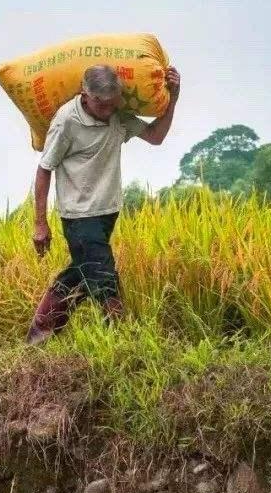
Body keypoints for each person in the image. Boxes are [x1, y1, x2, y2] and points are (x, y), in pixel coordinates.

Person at [26, 63, 181, 343]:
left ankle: (38, 338)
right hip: (78, 216)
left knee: (81, 274)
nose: (109, 111)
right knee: (104, 278)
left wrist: (175, 97)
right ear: (86, 95)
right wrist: (40, 223)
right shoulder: (66, 122)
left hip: (107, 212)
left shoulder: (118, 116)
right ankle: (121, 345)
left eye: (114, 103)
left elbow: (156, 137)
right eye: (103, 105)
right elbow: (44, 169)